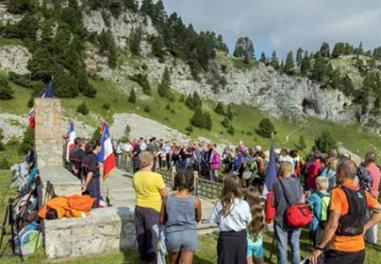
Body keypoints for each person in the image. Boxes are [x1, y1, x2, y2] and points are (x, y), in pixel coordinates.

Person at [309, 159, 381, 264]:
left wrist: (320, 248)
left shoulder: (337, 193)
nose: (335, 175)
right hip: (359, 250)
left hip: (340, 250)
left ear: (341, 173)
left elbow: (332, 225)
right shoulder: (363, 193)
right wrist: (364, 228)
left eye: (337, 172)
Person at [133, 151, 168, 264]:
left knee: (141, 234)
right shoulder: (156, 177)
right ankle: (152, 260)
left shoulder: (136, 175)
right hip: (153, 208)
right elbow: (164, 195)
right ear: (151, 162)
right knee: (152, 236)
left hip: (139, 206)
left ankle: (143, 257)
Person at [161, 169, 202, 264]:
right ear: (191, 183)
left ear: (176, 182)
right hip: (189, 235)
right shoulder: (196, 201)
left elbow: (162, 219)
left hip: (173, 235)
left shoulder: (167, 199)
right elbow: (198, 218)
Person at [210, 174, 251, 264]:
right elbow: (248, 220)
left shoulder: (219, 203)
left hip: (227, 238)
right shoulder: (243, 204)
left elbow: (216, 221)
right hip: (237, 238)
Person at [272, 161, 303, 264]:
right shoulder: (297, 182)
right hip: (296, 217)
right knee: (295, 244)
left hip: (281, 217)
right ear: (292, 170)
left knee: (282, 245)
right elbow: (302, 201)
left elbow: (272, 203)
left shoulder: (277, 183)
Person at [307, 176, 330, 263]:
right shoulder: (330, 195)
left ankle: (317, 261)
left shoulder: (315, 196)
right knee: (325, 245)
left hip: (316, 224)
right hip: (327, 224)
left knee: (316, 245)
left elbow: (307, 204)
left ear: (317, 185)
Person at [363, 151, 381, 244]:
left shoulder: (367, 170)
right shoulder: (378, 169)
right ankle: (373, 238)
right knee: (374, 217)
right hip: (375, 195)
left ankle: (368, 237)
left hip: (368, 195)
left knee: (366, 217)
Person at [245, 187, 264, 264]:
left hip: (247, 243)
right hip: (258, 242)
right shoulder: (260, 210)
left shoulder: (245, 211)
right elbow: (264, 227)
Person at [81, 141, 101, 208]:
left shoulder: (85, 156)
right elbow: (91, 172)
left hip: (87, 179)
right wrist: (86, 185)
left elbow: (83, 172)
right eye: (99, 146)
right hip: (93, 180)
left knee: (89, 198)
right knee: (95, 197)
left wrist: (83, 183)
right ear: (97, 147)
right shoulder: (94, 157)